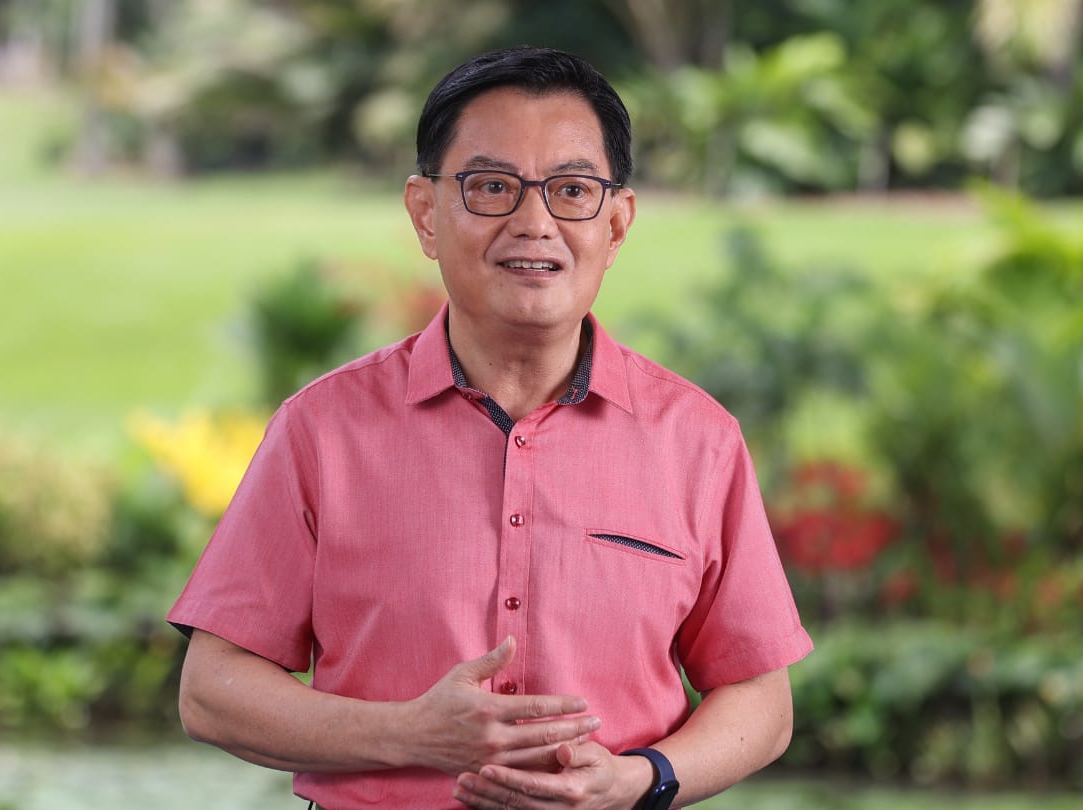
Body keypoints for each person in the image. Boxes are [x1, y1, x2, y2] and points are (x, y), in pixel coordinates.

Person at [168, 46, 813, 809]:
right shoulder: (322, 430)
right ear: (425, 213)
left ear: (617, 221)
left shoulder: (696, 440)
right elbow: (212, 692)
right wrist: (408, 733)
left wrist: (639, 781)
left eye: (571, 190)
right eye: (491, 188)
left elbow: (762, 703)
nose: (533, 223)